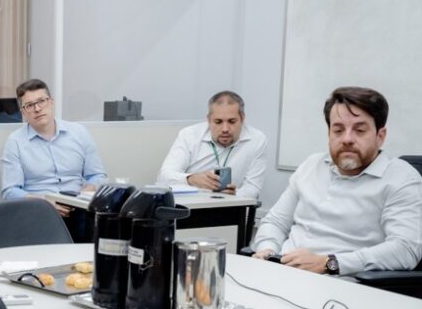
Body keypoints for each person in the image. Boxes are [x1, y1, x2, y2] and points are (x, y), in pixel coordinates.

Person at [252, 87, 422, 275]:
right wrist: (267, 251)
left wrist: (330, 263)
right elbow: (275, 222)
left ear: (380, 136)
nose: (347, 139)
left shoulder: (401, 179)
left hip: (339, 288)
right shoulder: (311, 165)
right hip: (280, 274)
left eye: (359, 130)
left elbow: (406, 249)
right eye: (338, 130)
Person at [0, 79, 107, 241]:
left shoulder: (79, 133)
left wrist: (88, 190)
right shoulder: (15, 142)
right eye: (29, 105)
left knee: (102, 224)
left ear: (51, 102)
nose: (37, 109)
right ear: (23, 111)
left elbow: (98, 175)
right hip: (39, 211)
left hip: (79, 207)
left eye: (41, 101)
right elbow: (10, 191)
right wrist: (44, 203)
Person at [156, 90, 267, 199]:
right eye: (218, 122)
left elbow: (253, 188)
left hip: (230, 207)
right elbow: (163, 177)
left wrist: (236, 194)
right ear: (209, 120)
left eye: (232, 121)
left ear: (242, 118)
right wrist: (190, 179)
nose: (225, 129)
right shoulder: (189, 135)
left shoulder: (257, 139)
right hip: (189, 207)